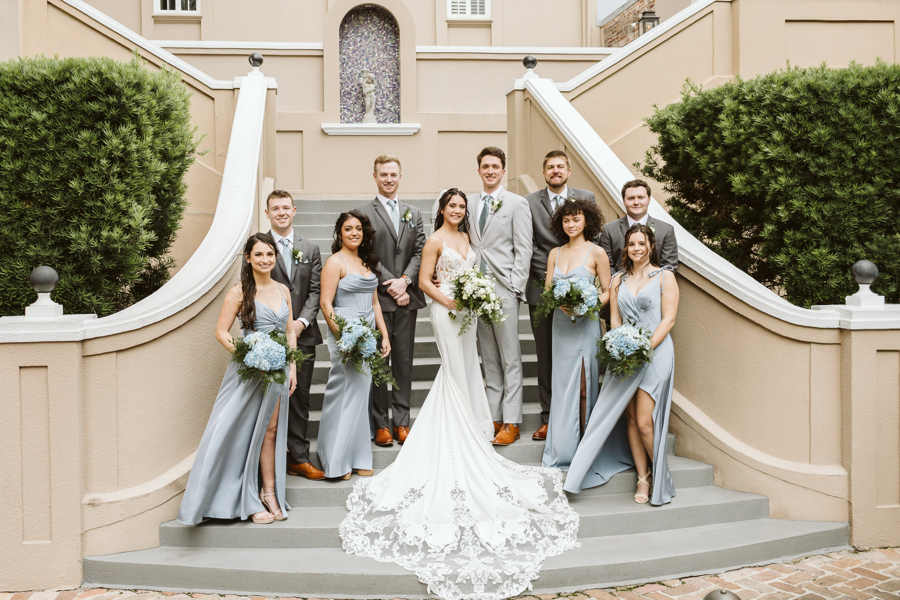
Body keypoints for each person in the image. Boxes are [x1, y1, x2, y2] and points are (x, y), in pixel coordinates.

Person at [340, 189, 579, 600]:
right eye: (451, 206)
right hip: (444, 312)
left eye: (461, 207)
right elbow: (422, 281)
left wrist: (472, 299)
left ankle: (470, 427)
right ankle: (454, 436)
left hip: (467, 311)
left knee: (471, 370)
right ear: (442, 210)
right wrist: (449, 300)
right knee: (453, 371)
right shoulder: (434, 240)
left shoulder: (468, 240)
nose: (457, 210)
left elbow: (475, 273)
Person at [177, 233, 294, 525]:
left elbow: (290, 330)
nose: (265, 260)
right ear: (249, 259)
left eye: (269, 254)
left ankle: (269, 492)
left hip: (278, 369)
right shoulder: (239, 291)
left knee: (271, 431)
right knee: (238, 431)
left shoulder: (283, 289)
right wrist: (248, 354)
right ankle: (245, 499)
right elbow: (221, 332)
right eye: (259, 255)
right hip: (248, 372)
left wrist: (292, 367)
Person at [564, 224, 679, 506]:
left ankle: (660, 473)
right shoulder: (617, 279)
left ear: (651, 246)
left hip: (655, 351)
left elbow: (668, 320)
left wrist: (644, 348)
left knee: (643, 421)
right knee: (628, 417)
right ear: (625, 248)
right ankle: (643, 476)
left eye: (642, 243)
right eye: (632, 244)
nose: (637, 248)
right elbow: (614, 320)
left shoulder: (666, 277)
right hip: (624, 351)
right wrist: (617, 345)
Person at [525, 150, 599, 441]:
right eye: (550, 167)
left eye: (560, 167)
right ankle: (548, 417)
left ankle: (581, 417)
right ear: (544, 173)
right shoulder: (529, 202)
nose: (555, 171)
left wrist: (579, 287)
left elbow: (595, 237)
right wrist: (555, 283)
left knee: (579, 358)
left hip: (582, 285)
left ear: (568, 171)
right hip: (543, 288)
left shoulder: (586, 197)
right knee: (545, 356)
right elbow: (527, 244)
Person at [354, 155, 426, 447]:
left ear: (400, 176)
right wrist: (391, 284)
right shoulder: (362, 213)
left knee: (404, 363)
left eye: (393, 174)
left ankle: (402, 422)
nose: (388, 179)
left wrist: (405, 281)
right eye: (383, 174)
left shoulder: (414, 212)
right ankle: (381, 423)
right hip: (378, 299)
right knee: (379, 362)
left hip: (407, 298)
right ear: (374, 177)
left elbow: (420, 252)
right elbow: (365, 252)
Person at [466, 147, 533, 445]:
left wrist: (516, 287)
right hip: (474, 291)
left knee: (510, 357)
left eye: (495, 166)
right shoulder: (466, 204)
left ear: (503, 170)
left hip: (504, 289)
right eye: (485, 166)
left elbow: (524, 248)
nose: (490, 171)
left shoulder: (517, 204)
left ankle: (512, 420)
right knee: (489, 358)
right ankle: (493, 417)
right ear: (479, 170)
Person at [318, 211, 391, 479]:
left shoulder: (367, 262)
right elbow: (326, 304)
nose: (354, 233)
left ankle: (359, 455)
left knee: (361, 394)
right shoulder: (334, 262)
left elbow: (374, 303)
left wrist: (383, 335)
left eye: (358, 228)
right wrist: (344, 338)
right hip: (345, 333)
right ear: (339, 233)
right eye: (348, 229)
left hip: (367, 334)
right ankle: (336, 460)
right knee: (343, 392)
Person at [540, 199, 610, 471]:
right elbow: (547, 290)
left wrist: (588, 306)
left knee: (583, 386)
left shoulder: (596, 253)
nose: (571, 224)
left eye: (576, 219)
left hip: (585, 326)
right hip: (561, 325)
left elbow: (608, 291)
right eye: (566, 220)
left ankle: (585, 447)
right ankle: (563, 447)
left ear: (587, 222)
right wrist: (557, 302)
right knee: (563, 386)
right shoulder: (554, 253)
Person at [264, 189, 325, 481]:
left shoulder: (310, 248)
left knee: (300, 397)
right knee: (269, 398)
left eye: (285, 207)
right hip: (270, 337)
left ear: (294, 210)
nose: (281, 213)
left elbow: (316, 291)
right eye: (275, 208)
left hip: (303, 334)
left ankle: (298, 458)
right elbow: (248, 289)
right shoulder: (259, 246)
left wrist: (301, 321)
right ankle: (268, 457)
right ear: (268, 213)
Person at [599, 179, 678, 274]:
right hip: (619, 286)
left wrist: (649, 284)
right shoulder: (609, 230)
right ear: (624, 201)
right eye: (631, 198)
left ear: (649, 199)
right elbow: (605, 265)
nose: (636, 202)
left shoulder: (666, 230)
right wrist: (620, 284)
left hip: (654, 285)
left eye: (641, 197)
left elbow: (669, 267)